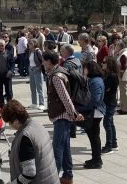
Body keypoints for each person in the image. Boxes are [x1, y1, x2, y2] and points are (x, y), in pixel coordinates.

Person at [42, 50, 83, 184]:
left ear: (49, 61)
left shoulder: (56, 76)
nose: (42, 63)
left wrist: (74, 114)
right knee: (65, 148)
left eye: (44, 60)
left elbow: (65, 98)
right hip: (62, 116)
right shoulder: (59, 71)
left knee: (57, 149)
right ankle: (67, 176)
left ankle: (53, 179)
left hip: (62, 116)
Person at [1, 100, 59, 184]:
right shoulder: (37, 125)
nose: (10, 125)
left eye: (10, 122)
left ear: (16, 120)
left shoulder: (25, 137)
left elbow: (29, 173)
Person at [76, 61, 106, 169]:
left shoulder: (95, 81)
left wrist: (82, 109)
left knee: (94, 137)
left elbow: (95, 100)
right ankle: (95, 158)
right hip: (93, 111)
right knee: (93, 137)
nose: (83, 70)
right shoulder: (94, 80)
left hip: (95, 112)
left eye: (85, 68)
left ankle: (97, 160)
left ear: (90, 69)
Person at [101, 56, 119, 154]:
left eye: (104, 62)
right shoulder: (108, 75)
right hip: (109, 102)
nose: (102, 63)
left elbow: (105, 89)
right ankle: (114, 143)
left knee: (107, 123)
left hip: (110, 103)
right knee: (110, 123)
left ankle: (109, 146)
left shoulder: (112, 76)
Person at [0, 39, 15, 106]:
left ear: (5, 45)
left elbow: (13, 64)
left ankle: (10, 105)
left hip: (7, 75)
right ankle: (2, 105)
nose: (1, 47)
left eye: (2, 46)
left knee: (8, 91)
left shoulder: (9, 54)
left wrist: (11, 71)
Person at [115, 40, 127, 115]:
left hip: (123, 75)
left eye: (117, 45)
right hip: (124, 75)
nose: (116, 47)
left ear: (120, 46)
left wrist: (120, 75)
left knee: (123, 92)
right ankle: (123, 107)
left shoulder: (123, 54)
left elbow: (123, 66)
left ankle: (125, 108)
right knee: (123, 92)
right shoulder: (124, 53)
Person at [28, 39, 46, 111]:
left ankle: (42, 104)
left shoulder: (38, 51)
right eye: (29, 43)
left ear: (35, 44)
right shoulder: (30, 52)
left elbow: (43, 60)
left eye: (31, 43)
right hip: (31, 69)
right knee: (32, 88)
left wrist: (39, 68)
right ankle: (34, 103)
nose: (29, 44)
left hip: (36, 69)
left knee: (39, 88)